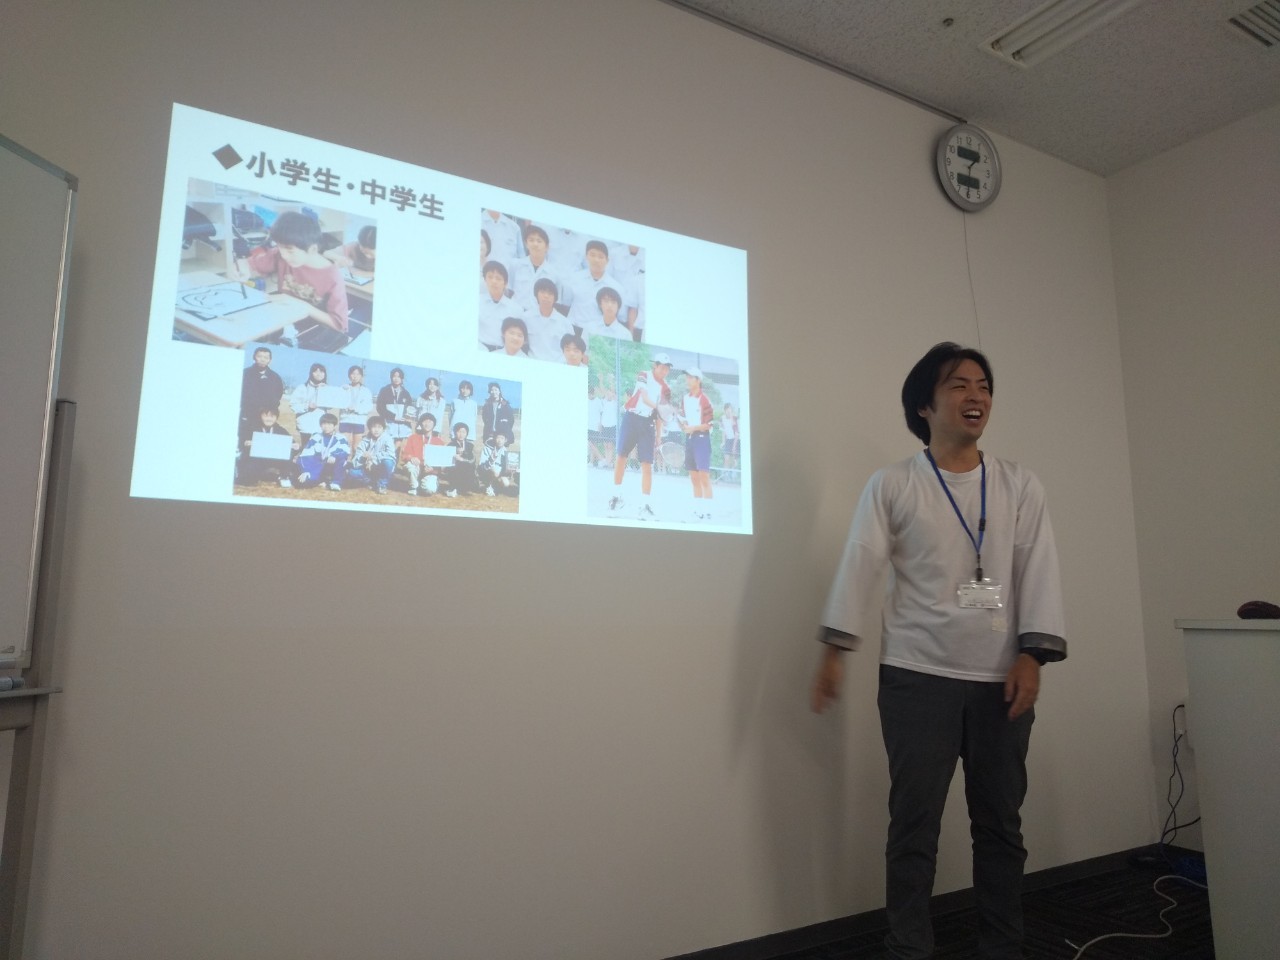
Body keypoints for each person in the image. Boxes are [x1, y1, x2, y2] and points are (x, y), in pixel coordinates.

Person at [812, 342, 1066, 960]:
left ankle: (1002, 946)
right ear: (924, 405)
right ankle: (908, 948)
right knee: (914, 825)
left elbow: (1038, 568)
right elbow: (860, 561)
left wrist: (1032, 654)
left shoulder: (1018, 484)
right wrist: (835, 649)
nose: (976, 396)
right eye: (958, 385)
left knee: (1000, 825)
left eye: (984, 386)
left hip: (1001, 679)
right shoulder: (894, 483)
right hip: (916, 675)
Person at [243, 210, 349, 352]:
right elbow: (250, 265)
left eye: (290, 250)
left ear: (312, 249)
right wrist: (241, 269)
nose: (284, 255)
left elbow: (339, 325)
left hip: (312, 333)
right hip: (283, 322)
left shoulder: (332, 277)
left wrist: (300, 305)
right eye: (279, 247)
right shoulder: (281, 253)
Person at [608, 352, 672, 520]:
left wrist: (659, 436)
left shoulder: (666, 389)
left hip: (648, 424)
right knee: (621, 456)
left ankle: (644, 505)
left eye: (667, 368)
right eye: (662, 367)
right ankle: (616, 497)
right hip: (632, 418)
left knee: (647, 465)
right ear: (655, 366)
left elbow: (659, 415)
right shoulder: (644, 375)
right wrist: (660, 407)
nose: (664, 371)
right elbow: (644, 397)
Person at [560, 241, 631, 334]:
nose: (596, 260)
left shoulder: (616, 288)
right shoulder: (573, 279)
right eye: (592, 255)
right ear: (586, 256)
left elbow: (621, 316)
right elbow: (566, 304)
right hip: (573, 329)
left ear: (607, 260)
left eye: (601, 257)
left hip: (598, 334)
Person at [680, 368, 715, 520]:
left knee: (704, 477)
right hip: (690, 440)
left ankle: (708, 512)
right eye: (687, 377)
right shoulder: (685, 399)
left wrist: (692, 428)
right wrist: (684, 426)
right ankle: (698, 510)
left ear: (698, 380)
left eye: (690, 377)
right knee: (694, 477)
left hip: (702, 439)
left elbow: (709, 425)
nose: (687, 380)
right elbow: (683, 419)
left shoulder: (705, 400)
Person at [237, 406, 300, 487]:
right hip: (258, 459)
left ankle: (284, 477)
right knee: (248, 479)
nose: (269, 419)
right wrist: (246, 443)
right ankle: (259, 474)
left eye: (272, 416)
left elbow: (293, 444)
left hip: (276, 459)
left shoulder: (280, 430)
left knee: (288, 455)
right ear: (260, 416)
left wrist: (295, 446)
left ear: (276, 417)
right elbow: (242, 443)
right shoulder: (253, 428)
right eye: (265, 416)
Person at [507, 224, 562, 311]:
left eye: (539, 241)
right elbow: (508, 290)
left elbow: (556, 302)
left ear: (547, 247)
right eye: (531, 240)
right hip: (516, 313)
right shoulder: (515, 265)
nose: (535, 244)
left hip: (538, 316)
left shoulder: (554, 274)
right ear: (526, 244)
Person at [295, 413, 350, 491]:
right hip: (317, 466)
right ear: (320, 425)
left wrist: (334, 455)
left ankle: (336, 482)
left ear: (334, 426)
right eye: (324, 424)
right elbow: (306, 454)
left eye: (329, 424)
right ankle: (322, 480)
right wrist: (306, 470)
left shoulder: (341, 438)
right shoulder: (316, 437)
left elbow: (345, 451)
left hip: (332, 465)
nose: (326, 427)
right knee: (303, 483)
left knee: (341, 460)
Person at [524, 278, 574, 362]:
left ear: (555, 298)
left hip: (557, 365)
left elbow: (571, 349)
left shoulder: (565, 323)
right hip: (532, 363)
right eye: (542, 292)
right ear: (536, 294)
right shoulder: (526, 318)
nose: (546, 296)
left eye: (550, 293)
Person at [400, 412, 447, 495]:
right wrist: (411, 458)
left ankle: (427, 482)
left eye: (430, 421)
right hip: (417, 468)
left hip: (430, 471)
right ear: (420, 424)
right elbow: (405, 454)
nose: (427, 424)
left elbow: (441, 464)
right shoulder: (413, 438)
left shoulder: (439, 442)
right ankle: (413, 486)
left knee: (429, 490)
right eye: (425, 421)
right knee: (410, 466)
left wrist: (433, 469)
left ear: (434, 424)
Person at [240, 347, 284, 436]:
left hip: (265, 417)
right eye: (259, 356)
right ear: (254, 357)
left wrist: (269, 412)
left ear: (270, 360)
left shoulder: (275, 377)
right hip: (246, 415)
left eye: (266, 357)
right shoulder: (244, 373)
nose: (262, 360)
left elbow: (278, 395)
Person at [348, 415, 397, 494]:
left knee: (388, 462)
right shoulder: (365, 440)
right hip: (367, 469)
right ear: (369, 428)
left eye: (379, 427)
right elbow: (355, 462)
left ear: (383, 429)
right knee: (352, 472)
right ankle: (370, 482)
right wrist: (363, 458)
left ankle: (382, 485)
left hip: (380, 467)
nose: (376, 430)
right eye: (374, 427)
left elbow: (390, 455)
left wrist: (372, 460)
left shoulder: (388, 439)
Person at [479, 260, 522, 350]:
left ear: (505, 283)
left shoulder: (515, 309)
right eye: (490, 277)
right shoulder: (477, 302)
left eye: (498, 278)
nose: (494, 281)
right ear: (485, 280)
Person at [289, 362, 331, 443]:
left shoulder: (327, 389)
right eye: (315, 371)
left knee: (319, 447)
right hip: (305, 425)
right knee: (305, 447)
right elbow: (293, 405)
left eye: (321, 371)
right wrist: (307, 406)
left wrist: (344, 390)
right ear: (311, 373)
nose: (319, 374)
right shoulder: (302, 387)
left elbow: (331, 406)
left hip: (320, 425)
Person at [339, 364, 375, 453]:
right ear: (349, 375)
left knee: (357, 446)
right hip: (345, 419)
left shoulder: (366, 391)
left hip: (359, 420)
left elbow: (368, 407)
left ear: (361, 376)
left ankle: (355, 461)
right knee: (345, 444)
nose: (355, 376)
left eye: (358, 374)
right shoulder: (343, 388)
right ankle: (346, 461)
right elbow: (338, 401)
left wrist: (356, 409)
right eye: (353, 374)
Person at [376, 367, 415, 443]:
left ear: (402, 379)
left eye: (399, 377)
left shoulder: (406, 393)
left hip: (402, 427)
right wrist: (393, 417)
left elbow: (409, 409)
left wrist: (409, 418)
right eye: (394, 376)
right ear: (391, 377)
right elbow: (380, 408)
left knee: (400, 446)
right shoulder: (384, 391)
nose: (396, 379)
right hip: (389, 424)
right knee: (388, 445)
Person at [444, 421, 477, 498]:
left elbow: (473, 460)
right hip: (454, 469)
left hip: (467, 469)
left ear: (466, 434)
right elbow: (446, 461)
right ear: (455, 432)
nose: (461, 434)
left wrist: (463, 459)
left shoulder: (470, 445)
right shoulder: (450, 445)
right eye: (459, 431)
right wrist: (454, 456)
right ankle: (453, 487)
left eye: (463, 432)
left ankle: (465, 487)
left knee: (472, 486)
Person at [721, 402, 740, 476]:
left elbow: (737, 434)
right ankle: (724, 475)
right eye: (727, 410)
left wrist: (734, 446)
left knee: (734, 460)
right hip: (728, 440)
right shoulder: (722, 418)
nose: (729, 412)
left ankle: (733, 477)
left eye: (730, 410)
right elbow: (723, 431)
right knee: (726, 459)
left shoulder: (735, 419)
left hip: (736, 440)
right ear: (725, 410)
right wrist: (723, 442)